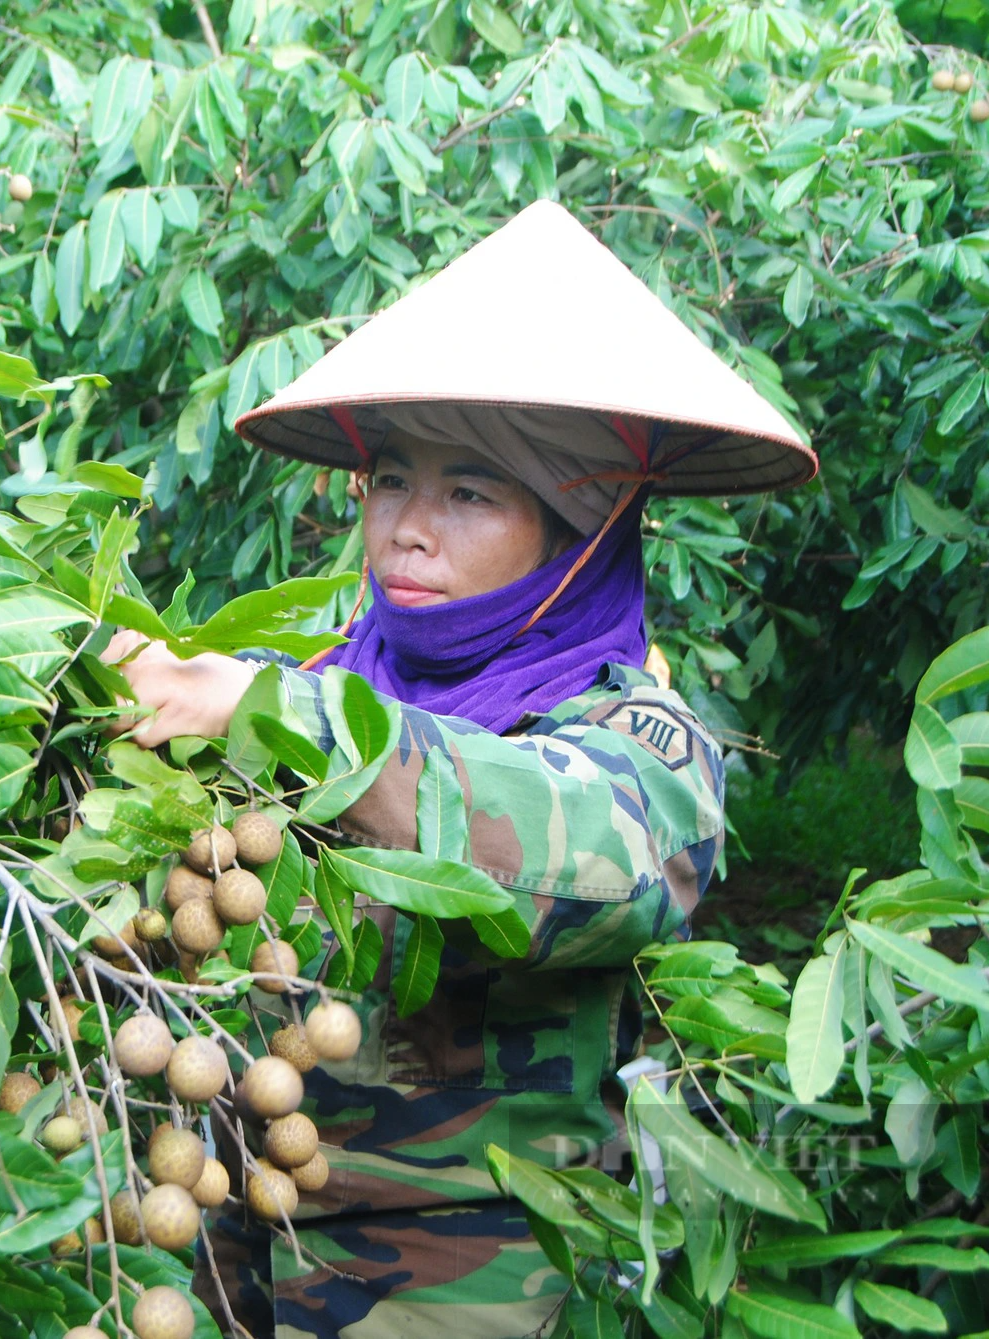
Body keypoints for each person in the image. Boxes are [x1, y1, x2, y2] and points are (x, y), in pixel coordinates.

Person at [108, 201, 814, 1339]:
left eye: (470, 492)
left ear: (579, 529)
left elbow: (565, 863)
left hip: (460, 1272)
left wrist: (266, 715)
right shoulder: (315, 672)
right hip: (216, 1222)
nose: (406, 530)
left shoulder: (642, 745)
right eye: (390, 480)